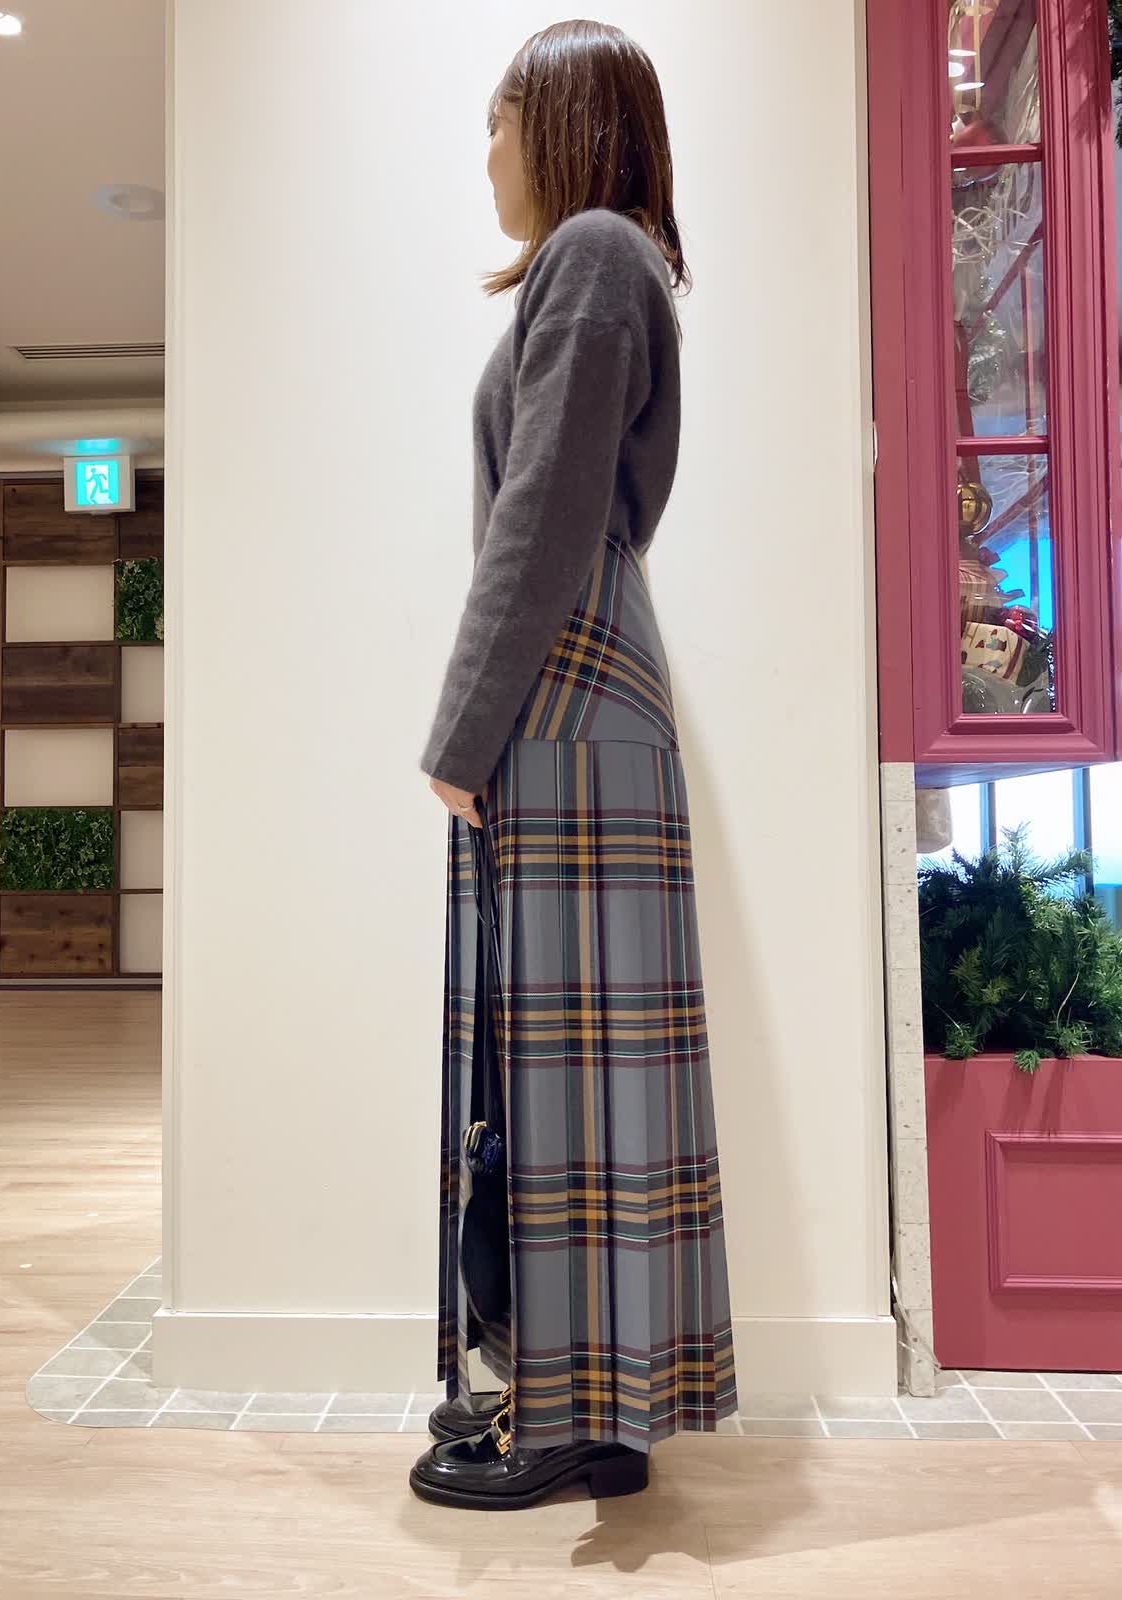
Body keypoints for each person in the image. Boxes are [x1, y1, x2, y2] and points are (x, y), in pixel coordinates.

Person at [411, 18, 738, 1512]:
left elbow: (543, 511)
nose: (484, 152)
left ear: (562, 123)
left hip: (568, 696)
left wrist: (461, 729)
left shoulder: (595, 255)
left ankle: (570, 1425)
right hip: (582, 689)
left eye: (498, 121)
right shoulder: (604, 265)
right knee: (574, 1075)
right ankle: (590, 1415)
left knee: (567, 1076)